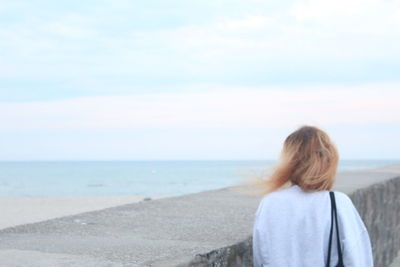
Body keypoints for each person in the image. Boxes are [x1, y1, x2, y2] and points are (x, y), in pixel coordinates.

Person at [252, 126, 373, 267]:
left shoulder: (269, 203)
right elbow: (358, 259)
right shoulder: (337, 203)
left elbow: (260, 257)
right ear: (327, 160)